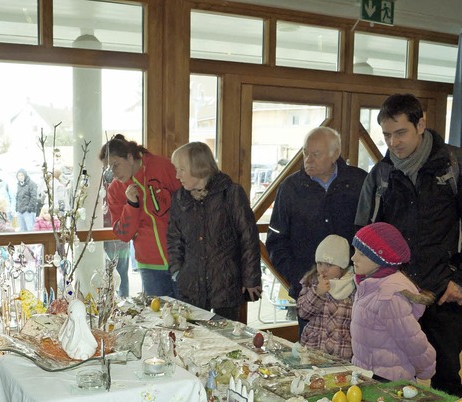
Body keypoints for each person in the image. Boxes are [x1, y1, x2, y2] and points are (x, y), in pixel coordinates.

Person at [355, 93, 462, 396]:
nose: (393, 142)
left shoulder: (454, 166)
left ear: (421, 124)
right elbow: (363, 236)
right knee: (389, 381)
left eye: (400, 132)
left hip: (443, 294)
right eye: (387, 135)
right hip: (395, 295)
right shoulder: (380, 175)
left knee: (445, 381)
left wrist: (458, 281)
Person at [265, 127, 367, 331]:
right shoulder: (290, 188)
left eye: (316, 154)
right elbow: (276, 241)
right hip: (311, 291)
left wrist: (361, 277)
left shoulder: (359, 182)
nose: (308, 159)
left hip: (353, 291)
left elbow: (372, 234)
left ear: (335, 154)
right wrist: (298, 280)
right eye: (305, 153)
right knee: (309, 354)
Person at [167, 142, 262, 321]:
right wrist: (177, 272)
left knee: (227, 342)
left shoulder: (231, 193)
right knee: (193, 340)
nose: (177, 175)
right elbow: (174, 238)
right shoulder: (179, 198)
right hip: (191, 286)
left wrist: (251, 279)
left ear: (198, 167)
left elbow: (248, 237)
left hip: (226, 285)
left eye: (181, 169)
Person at [350, 222, 435, 382]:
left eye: (361, 253)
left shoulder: (389, 296)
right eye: (355, 251)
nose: (353, 258)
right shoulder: (367, 286)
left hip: (390, 382)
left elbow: (412, 340)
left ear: (380, 258)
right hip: (367, 376)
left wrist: (426, 370)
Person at [99, 134, 181, 297]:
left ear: (129, 157)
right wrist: (132, 205)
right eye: (108, 169)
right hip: (149, 265)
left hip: (181, 259)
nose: (114, 173)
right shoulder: (115, 190)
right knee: (159, 318)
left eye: (116, 165)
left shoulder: (162, 166)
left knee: (189, 316)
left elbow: (188, 204)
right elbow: (123, 234)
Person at [297, 235, 355, 360]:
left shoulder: (353, 286)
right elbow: (303, 313)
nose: (322, 269)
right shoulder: (311, 281)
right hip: (313, 350)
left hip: (341, 352)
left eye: (329, 265)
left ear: (342, 266)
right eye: (319, 263)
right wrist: (318, 292)